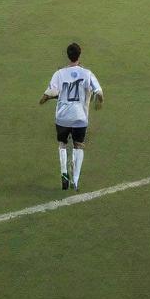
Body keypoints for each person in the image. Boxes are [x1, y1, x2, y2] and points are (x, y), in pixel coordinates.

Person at [39, 42, 104, 191]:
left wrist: (44, 99)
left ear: (68, 56)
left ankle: (63, 172)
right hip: (80, 118)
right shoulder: (87, 73)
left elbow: (50, 93)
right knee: (78, 146)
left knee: (62, 144)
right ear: (79, 55)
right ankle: (75, 179)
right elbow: (99, 92)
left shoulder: (59, 73)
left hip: (62, 117)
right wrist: (99, 100)